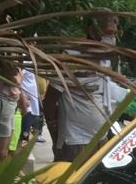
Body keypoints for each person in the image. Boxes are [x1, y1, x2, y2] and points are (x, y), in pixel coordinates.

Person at [44, 13, 127, 162]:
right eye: (108, 32)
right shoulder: (71, 58)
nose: (112, 37)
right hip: (75, 143)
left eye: (114, 33)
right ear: (92, 30)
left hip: (101, 139)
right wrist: (56, 135)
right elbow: (49, 100)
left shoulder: (104, 60)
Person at [19, 66, 43, 145]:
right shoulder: (25, 63)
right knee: (25, 130)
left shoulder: (32, 63)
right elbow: (17, 80)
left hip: (32, 101)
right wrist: (23, 97)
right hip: (26, 103)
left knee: (29, 125)